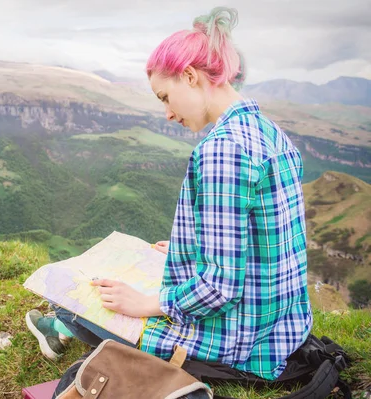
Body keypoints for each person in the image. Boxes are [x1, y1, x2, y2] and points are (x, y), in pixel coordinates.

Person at [26, 6, 312, 381]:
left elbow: (219, 289)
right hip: (281, 329)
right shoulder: (269, 133)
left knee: (93, 296)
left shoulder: (222, 151)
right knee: (125, 284)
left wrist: (149, 303)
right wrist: (189, 248)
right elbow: (259, 242)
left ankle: (60, 325)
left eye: (164, 96)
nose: (168, 113)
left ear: (190, 76)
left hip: (238, 344)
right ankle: (63, 324)